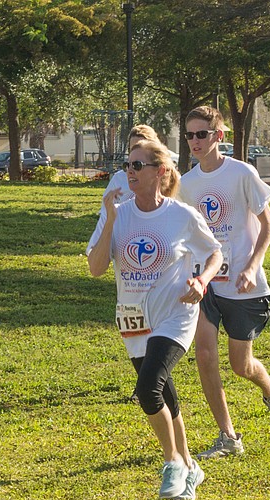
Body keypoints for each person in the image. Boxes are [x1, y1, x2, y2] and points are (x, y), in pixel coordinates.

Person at [87, 139, 223, 500]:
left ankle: (173, 463)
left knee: (147, 388)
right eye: (127, 165)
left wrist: (201, 280)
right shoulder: (117, 212)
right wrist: (111, 219)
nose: (129, 171)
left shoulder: (180, 215)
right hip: (133, 320)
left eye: (137, 166)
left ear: (160, 172)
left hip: (175, 315)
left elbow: (213, 252)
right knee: (164, 394)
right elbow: (96, 268)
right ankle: (192, 466)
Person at [178, 105, 270, 460]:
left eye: (202, 134)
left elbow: (268, 224)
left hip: (245, 286)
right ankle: (228, 436)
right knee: (204, 355)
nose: (195, 141)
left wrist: (251, 266)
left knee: (240, 365)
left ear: (219, 136)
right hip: (207, 282)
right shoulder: (187, 183)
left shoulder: (242, 173)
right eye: (190, 135)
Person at [89, 124, 166, 404]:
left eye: (140, 158)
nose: (132, 167)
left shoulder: (173, 195)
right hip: (131, 274)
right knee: (139, 340)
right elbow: (104, 223)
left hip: (165, 279)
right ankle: (147, 384)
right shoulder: (119, 184)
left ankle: (149, 386)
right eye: (129, 159)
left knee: (160, 341)